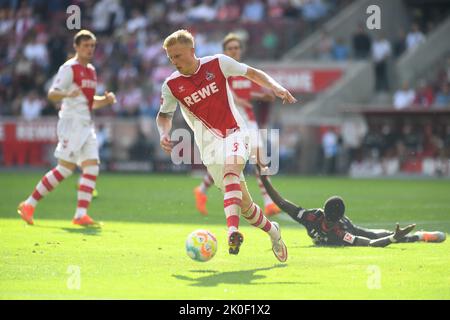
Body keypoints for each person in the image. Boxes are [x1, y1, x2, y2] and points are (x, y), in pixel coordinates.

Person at [156, 29, 297, 261]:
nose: (174, 62)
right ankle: (273, 231)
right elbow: (164, 115)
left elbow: (252, 73)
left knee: (232, 169)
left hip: (235, 133)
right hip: (209, 148)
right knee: (247, 207)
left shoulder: (218, 63)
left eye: (178, 56)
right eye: (170, 58)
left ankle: (232, 231)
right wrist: (164, 132)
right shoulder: (171, 85)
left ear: (192, 51)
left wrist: (276, 87)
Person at [17, 30, 116, 227]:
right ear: (76, 47)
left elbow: (89, 102)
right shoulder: (69, 68)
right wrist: (66, 94)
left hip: (86, 123)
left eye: (92, 46)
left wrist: (105, 100)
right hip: (71, 123)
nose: (90, 49)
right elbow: (52, 94)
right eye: (86, 46)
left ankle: (80, 215)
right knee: (65, 168)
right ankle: (29, 204)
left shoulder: (92, 71)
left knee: (92, 166)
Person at [193, 33, 281, 217]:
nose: (234, 51)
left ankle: (268, 202)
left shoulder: (243, 72)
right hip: (230, 124)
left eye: (236, 48)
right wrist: (245, 100)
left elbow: (245, 95)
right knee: (231, 165)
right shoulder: (222, 72)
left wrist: (260, 96)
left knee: (259, 160)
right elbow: (234, 98)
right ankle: (201, 190)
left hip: (249, 121)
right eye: (230, 48)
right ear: (224, 52)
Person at [258, 167, 446, 246]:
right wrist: (263, 177)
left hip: (352, 228)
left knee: (370, 233)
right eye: (330, 222)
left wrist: (393, 239)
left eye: (333, 223)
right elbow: (281, 203)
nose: (330, 226)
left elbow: (371, 243)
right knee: (371, 234)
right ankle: (411, 236)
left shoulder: (341, 232)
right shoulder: (311, 217)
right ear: (322, 213)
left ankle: (420, 236)